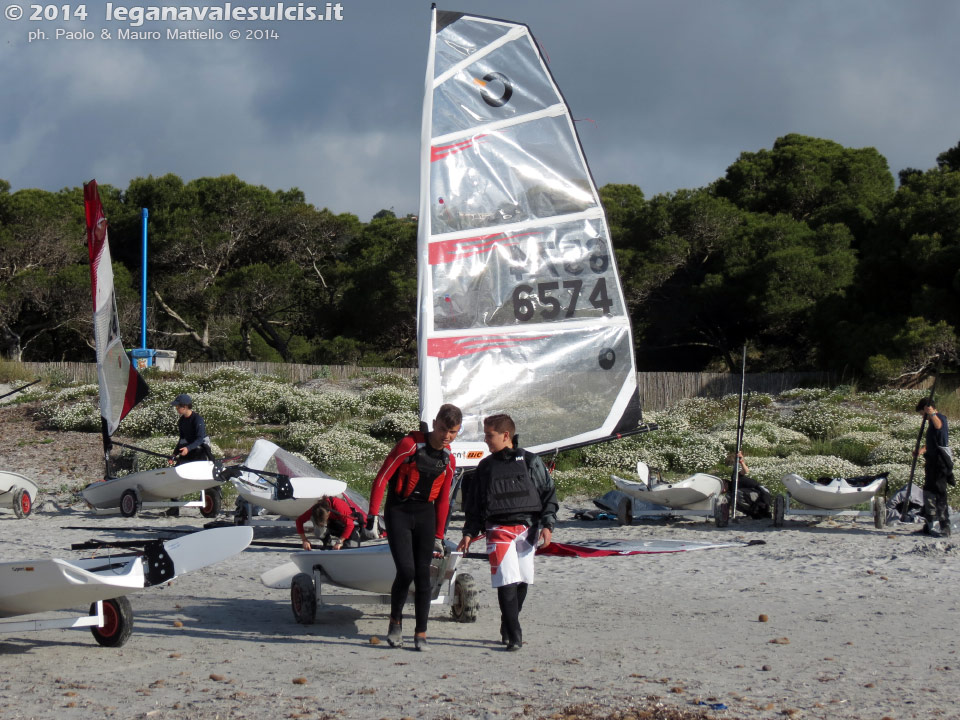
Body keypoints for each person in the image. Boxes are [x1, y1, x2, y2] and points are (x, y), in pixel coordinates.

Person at [456, 414, 558, 651]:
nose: (485, 440)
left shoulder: (531, 461)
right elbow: (475, 506)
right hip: (497, 529)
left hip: (527, 530)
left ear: (505, 436)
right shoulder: (485, 467)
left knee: (522, 581)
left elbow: (548, 495)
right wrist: (469, 533)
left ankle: (507, 622)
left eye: (489, 435)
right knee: (506, 581)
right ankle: (514, 635)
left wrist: (547, 525)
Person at [367, 404, 461, 651]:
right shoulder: (409, 445)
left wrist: (439, 535)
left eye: (452, 432)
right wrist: (372, 515)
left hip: (425, 514)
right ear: (434, 422)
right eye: (442, 429)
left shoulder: (449, 458)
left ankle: (421, 633)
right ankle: (395, 623)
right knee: (406, 570)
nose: (446, 436)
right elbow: (382, 477)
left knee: (423, 575)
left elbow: (442, 500)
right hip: (398, 511)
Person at [914, 398, 952, 537]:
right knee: (928, 492)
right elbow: (932, 440)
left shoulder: (939, 418)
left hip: (940, 462)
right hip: (931, 462)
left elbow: (939, 426)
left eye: (921, 413)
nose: (921, 416)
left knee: (939, 493)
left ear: (927, 409)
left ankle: (944, 526)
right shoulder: (930, 422)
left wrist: (932, 414)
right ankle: (929, 524)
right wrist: (922, 450)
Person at [727, 450, 772, 519]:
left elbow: (746, 470)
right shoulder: (731, 491)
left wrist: (741, 461)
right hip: (750, 493)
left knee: (764, 499)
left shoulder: (735, 477)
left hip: (758, 489)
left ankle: (761, 512)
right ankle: (755, 513)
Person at [170, 394, 213, 464]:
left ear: (184, 407)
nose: (176, 408)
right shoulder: (181, 421)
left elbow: (200, 439)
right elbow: (182, 439)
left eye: (177, 407)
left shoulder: (197, 419)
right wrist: (174, 454)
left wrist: (188, 448)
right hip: (189, 448)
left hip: (200, 449)